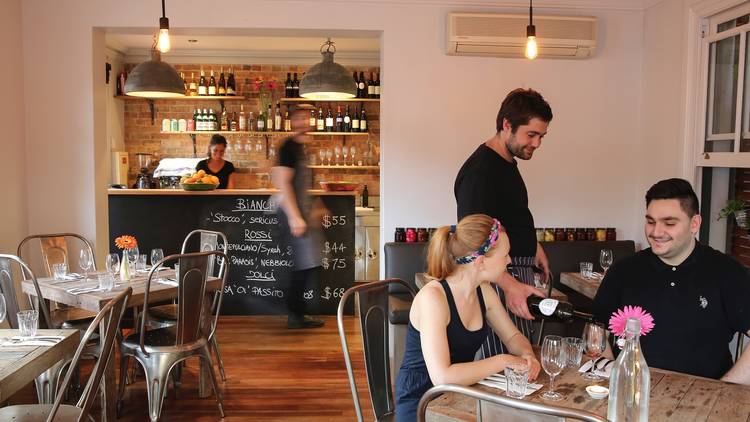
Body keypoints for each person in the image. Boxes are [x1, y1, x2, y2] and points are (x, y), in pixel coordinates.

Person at [593, 178, 750, 382]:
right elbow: (596, 334)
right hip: (630, 392)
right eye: (650, 221)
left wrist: (725, 389)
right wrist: (611, 381)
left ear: (695, 224)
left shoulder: (726, 272)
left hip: (703, 400)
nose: (656, 232)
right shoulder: (624, 271)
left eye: (669, 223)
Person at [395, 214, 541, 421]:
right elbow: (442, 377)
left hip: (458, 396)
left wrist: (528, 356)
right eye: (505, 255)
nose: (509, 260)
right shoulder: (433, 298)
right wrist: (503, 361)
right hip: (421, 402)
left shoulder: (484, 291)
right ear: (480, 262)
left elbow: (512, 336)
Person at [454, 88, 553, 357]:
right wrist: (510, 286)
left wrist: (534, 246)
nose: (536, 144)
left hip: (516, 273)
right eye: (531, 134)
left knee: (521, 363)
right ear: (507, 125)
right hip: (498, 282)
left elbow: (510, 215)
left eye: (541, 136)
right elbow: (474, 246)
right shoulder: (480, 173)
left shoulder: (506, 162)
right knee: (504, 367)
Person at [272, 105, 326, 329]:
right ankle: (296, 315)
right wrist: (295, 217)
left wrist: (315, 206)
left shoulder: (301, 147)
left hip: (300, 213)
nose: (303, 123)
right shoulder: (288, 147)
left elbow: (301, 185)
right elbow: (282, 182)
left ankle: (298, 312)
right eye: (299, 119)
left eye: (306, 118)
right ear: (292, 122)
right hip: (291, 214)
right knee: (303, 263)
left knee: (307, 262)